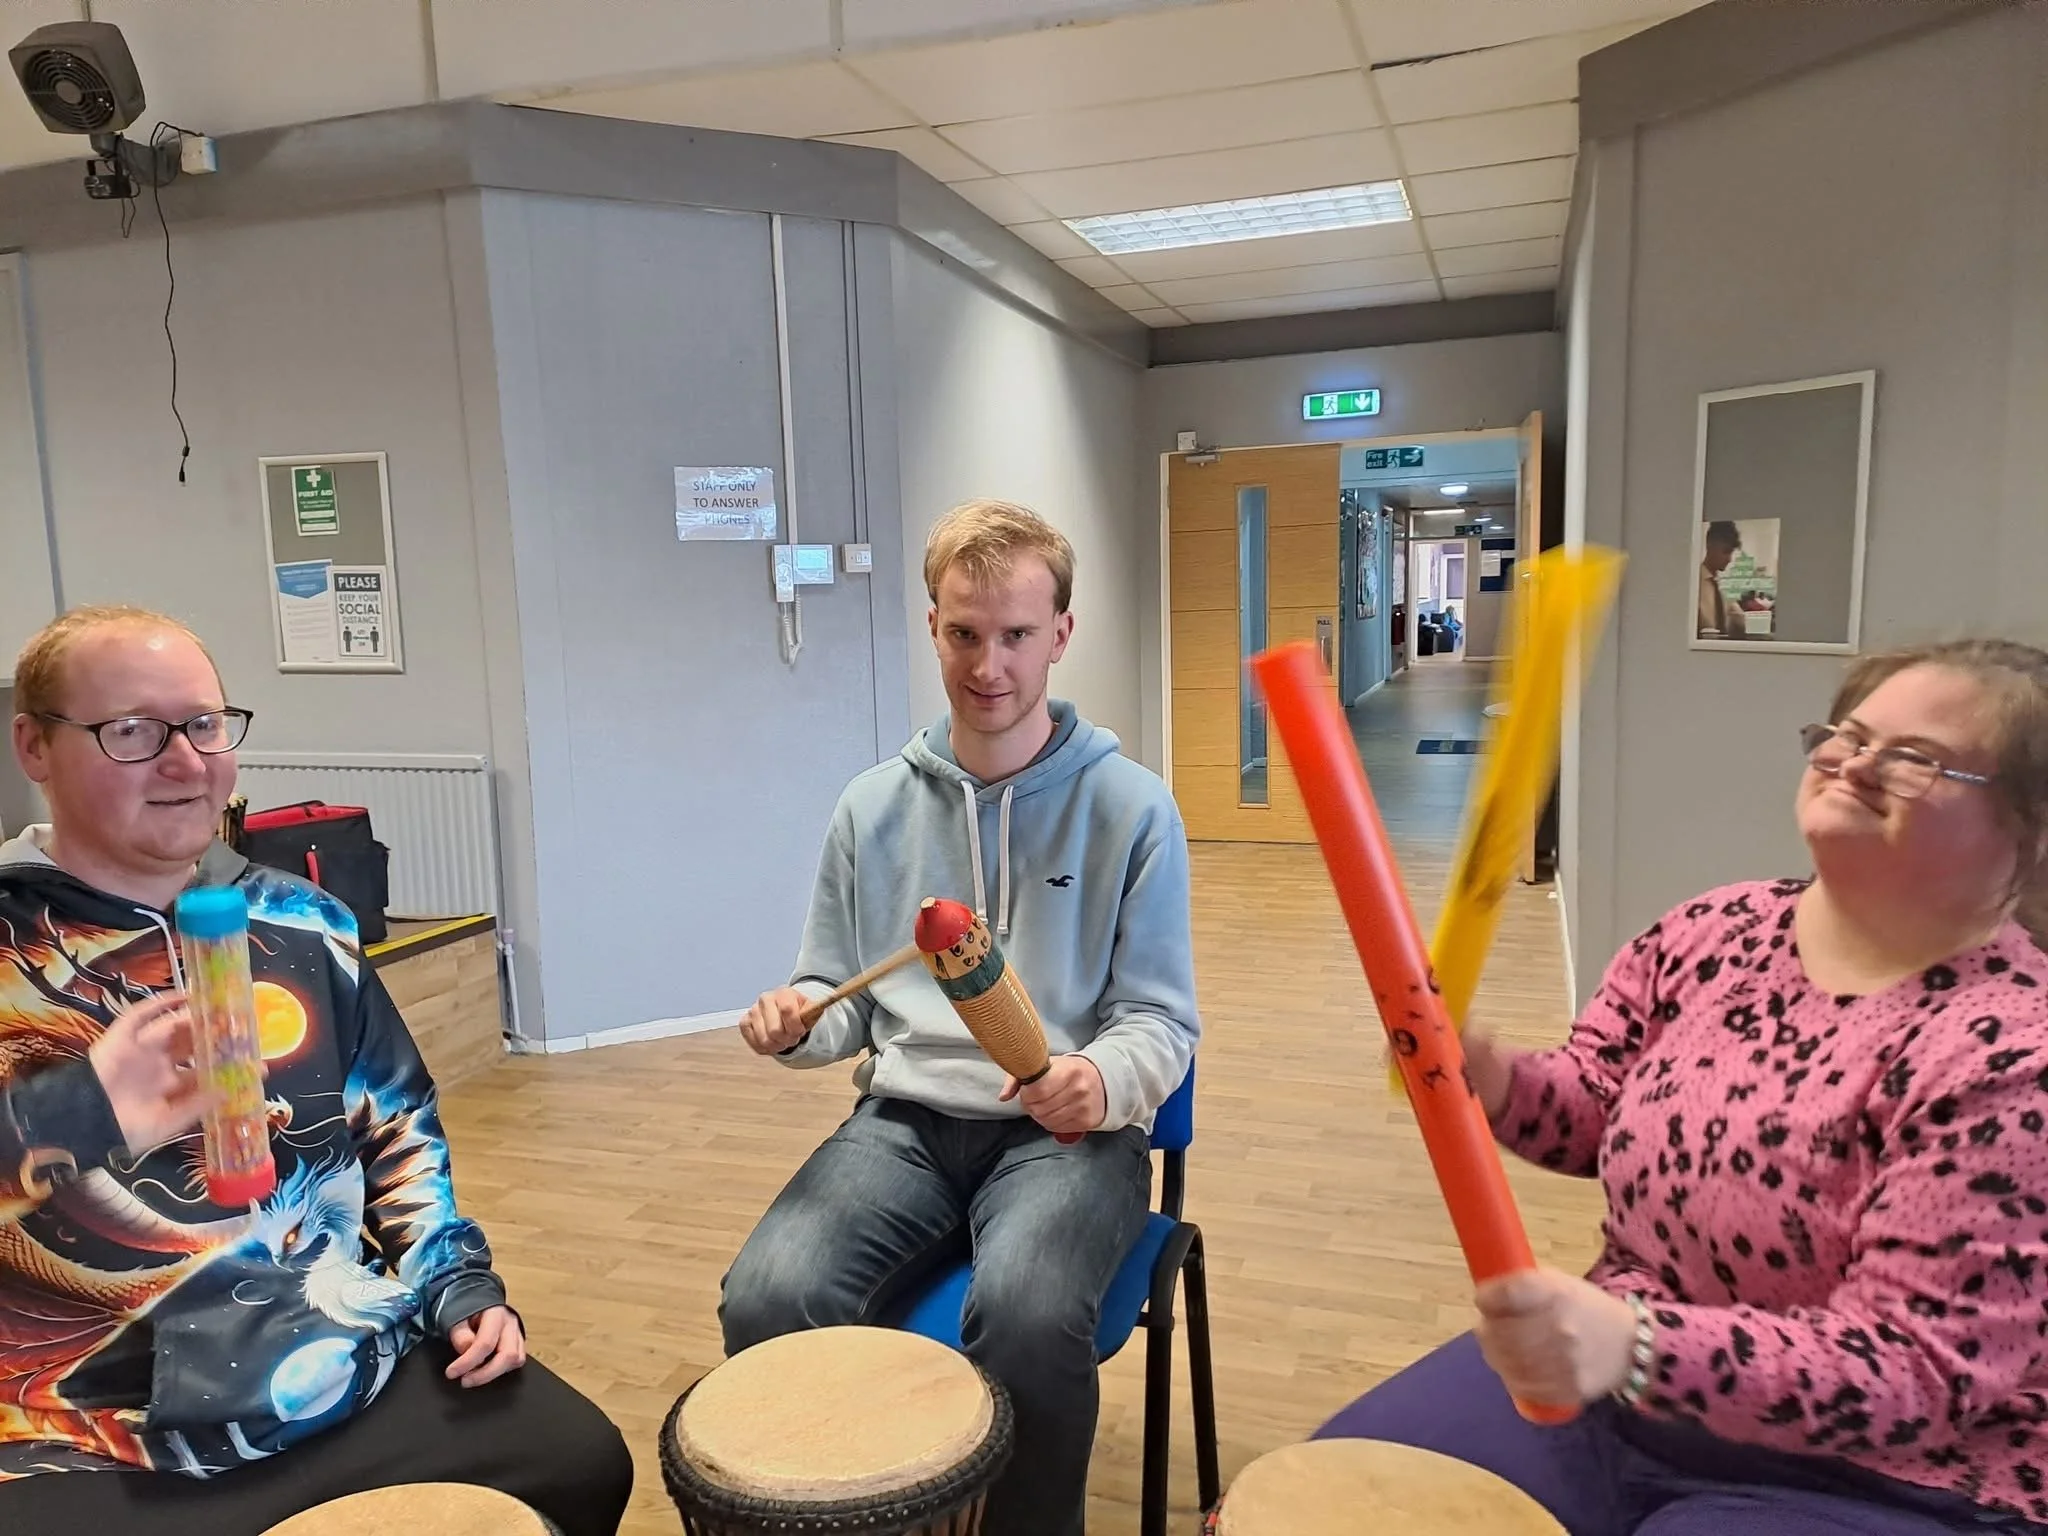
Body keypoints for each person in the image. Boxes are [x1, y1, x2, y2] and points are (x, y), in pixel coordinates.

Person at [1321, 638, 2048, 1534]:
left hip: (1889, 1476)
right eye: (1847, 735)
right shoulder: (1714, 930)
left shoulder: (2014, 1057)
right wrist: (1496, 1076)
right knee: (1328, 1498)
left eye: (1915, 759)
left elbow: (1909, 1374)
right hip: (1618, 1390)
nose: (1855, 764)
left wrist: (1632, 1345)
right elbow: (1594, 1109)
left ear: (2031, 829)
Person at [0, 606, 632, 1534]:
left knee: (576, 1465)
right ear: (35, 747)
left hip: (331, 1361)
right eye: (131, 731)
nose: (185, 761)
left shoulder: (303, 923)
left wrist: (454, 1282)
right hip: (80, 1422)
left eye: (205, 724)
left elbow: (399, 1131)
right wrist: (79, 1113)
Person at [719, 500, 1200, 1536]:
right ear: (931, 625)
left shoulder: (1133, 808)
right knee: (765, 1298)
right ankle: (853, 1512)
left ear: (1060, 635)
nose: (989, 665)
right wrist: (803, 1022)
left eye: (1016, 636)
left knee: (1026, 1317)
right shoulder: (871, 807)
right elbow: (840, 1002)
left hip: (1067, 1136)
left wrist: (1103, 1080)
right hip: (903, 1126)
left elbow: (1161, 1019)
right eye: (963, 633)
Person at [1697, 520, 1743, 637]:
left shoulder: (1720, 586)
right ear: (1709, 546)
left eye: (1731, 553)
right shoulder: (1694, 583)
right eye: (1725, 552)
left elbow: (1739, 617)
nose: (1729, 559)